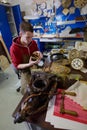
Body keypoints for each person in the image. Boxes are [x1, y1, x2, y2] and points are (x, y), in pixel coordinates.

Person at [10, 21, 43, 95]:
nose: (30, 40)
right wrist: (29, 64)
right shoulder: (14, 48)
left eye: (32, 37)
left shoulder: (32, 42)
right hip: (24, 69)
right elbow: (17, 65)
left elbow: (36, 52)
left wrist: (39, 54)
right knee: (27, 90)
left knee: (44, 79)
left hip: (33, 65)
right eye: (28, 37)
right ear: (21, 34)